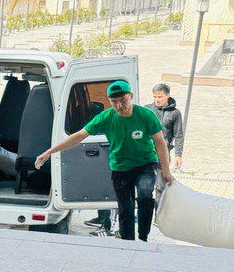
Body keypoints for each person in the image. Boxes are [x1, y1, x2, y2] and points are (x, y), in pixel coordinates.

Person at [35, 79, 174, 242]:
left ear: (131, 96)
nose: (119, 106)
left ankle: (143, 237)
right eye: (114, 102)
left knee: (144, 195)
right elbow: (79, 136)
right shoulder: (106, 117)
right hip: (120, 167)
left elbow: (160, 142)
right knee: (125, 208)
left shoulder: (145, 115)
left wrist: (166, 170)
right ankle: (128, 242)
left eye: (122, 100)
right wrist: (49, 152)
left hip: (145, 163)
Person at [151, 82, 184, 171]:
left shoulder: (175, 113)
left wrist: (178, 155)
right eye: (155, 97)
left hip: (164, 153)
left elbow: (179, 135)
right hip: (148, 153)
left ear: (167, 96)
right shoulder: (148, 110)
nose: (157, 99)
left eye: (160, 97)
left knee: (162, 181)